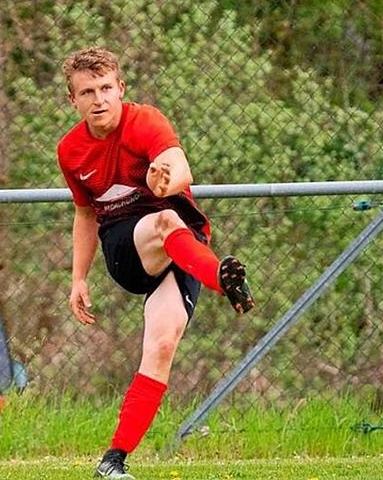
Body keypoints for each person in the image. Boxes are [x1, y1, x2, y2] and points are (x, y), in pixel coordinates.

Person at [57, 47, 256, 478]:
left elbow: (179, 167)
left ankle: (113, 462)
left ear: (121, 88)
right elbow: (85, 213)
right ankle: (225, 283)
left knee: (162, 346)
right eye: (87, 91)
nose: (99, 99)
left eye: (106, 87)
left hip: (186, 248)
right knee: (164, 220)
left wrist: (166, 178)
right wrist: (78, 278)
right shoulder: (71, 151)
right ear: (73, 101)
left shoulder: (145, 120)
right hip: (127, 249)